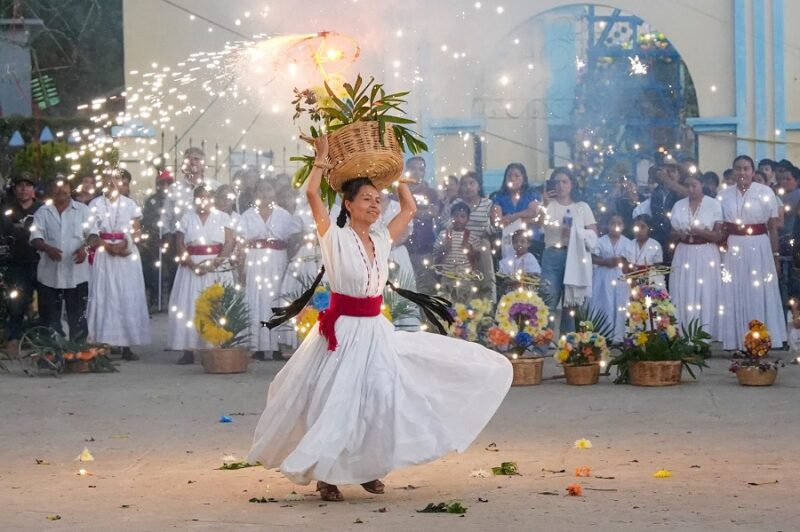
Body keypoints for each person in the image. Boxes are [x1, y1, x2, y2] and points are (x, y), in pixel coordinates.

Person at [247, 136, 512, 502]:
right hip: (343, 332)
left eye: (377, 199)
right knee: (336, 401)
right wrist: (321, 158)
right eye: (367, 199)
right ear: (348, 204)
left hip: (376, 330)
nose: (375, 205)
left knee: (382, 397)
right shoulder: (334, 237)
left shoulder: (382, 238)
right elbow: (311, 194)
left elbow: (409, 209)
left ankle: (367, 466)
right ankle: (326, 474)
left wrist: (399, 180)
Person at [719, 155, 785, 351]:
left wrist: (775, 255)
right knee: (735, 289)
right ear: (733, 171)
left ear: (753, 172)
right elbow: (720, 226)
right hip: (734, 246)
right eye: (738, 168)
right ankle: (736, 340)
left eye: (746, 168)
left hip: (759, 245)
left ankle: (761, 338)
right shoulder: (723, 195)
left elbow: (772, 226)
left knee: (758, 290)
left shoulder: (765, 192)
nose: (742, 172)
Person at [86, 169, 151, 360]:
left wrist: (124, 245)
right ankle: (103, 344)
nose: (112, 182)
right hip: (104, 255)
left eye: (116, 179)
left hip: (126, 255)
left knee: (127, 296)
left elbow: (136, 232)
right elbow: (91, 232)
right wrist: (107, 246)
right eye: (108, 178)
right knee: (105, 296)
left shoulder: (130, 204)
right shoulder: (95, 204)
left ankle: (126, 345)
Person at [168, 186, 235, 364]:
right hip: (191, 267)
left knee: (215, 305)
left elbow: (229, 243)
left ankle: (214, 347)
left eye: (206, 197)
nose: (203, 201)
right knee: (189, 306)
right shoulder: (186, 218)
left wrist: (215, 263)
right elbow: (180, 245)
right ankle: (188, 349)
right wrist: (193, 265)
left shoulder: (223, 217)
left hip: (216, 266)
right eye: (199, 197)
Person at [241, 180, 302, 361]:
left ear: (274, 193)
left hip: (278, 260)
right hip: (255, 259)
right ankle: (257, 346)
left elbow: (291, 241)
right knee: (256, 299)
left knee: (276, 299)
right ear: (255, 194)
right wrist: (241, 268)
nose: (265, 194)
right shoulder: (247, 215)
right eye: (261, 190)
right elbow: (242, 242)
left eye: (268, 189)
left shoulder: (284, 215)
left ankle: (277, 346)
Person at [30, 178, 96, 340]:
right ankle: (50, 351)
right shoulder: (42, 212)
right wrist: (46, 248)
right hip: (49, 275)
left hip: (77, 274)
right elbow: (35, 238)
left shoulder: (83, 210)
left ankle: (78, 351)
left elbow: (94, 235)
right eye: (56, 187)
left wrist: (85, 248)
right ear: (51, 190)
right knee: (48, 320)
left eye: (64, 187)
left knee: (78, 318)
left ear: (70, 189)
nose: (61, 190)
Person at [537, 168, 598, 337]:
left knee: (571, 305)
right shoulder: (548, 205)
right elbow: (539, 226)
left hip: (575, 257)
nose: (560, 185)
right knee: (547, 300)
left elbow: (593, 233)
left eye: (564, 181)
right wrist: (544, 204)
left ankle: (568, 344)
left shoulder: (581, 207)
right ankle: (542, 344)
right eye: (557, 182)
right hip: (552, 255)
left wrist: (576, 233)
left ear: (572, 184)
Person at [668, 174, 723, 339]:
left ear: (702, 184)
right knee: (683, 289)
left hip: (706, 251)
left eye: (694, 185)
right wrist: (679, 234)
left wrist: (700, 231)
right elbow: (671, 233)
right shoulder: (678, 205)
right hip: (684, 252)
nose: (691, 189)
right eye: (688, 186)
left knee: (705, 291)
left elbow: (718, 235)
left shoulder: (713, 204)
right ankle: (683, 333)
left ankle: (704, 334)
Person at [0, 173, 43, 357]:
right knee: (16, 303)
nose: (24, 189)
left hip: (41, 262)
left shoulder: (42, 209)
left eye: (28, 185)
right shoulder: (7, 209)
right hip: (16, 263)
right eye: (20, 185)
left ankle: (45, 341)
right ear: (15, 189)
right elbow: (6, 233)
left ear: (33, 189)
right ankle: (14, 339)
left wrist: (21, 231)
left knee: (46, 304)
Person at [590, 214, 633, 342]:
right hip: (603, 277)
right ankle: (602, 335)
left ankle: (619, 336)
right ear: (607, 225)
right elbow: (592, 257)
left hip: (620, 278)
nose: (615, 226)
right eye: (612, 223)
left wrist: (622, 262)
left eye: (619, 223)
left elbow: (630, 262)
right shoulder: (600, 241)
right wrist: (605, 262)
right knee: (603, 303)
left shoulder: (627, 242)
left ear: (623, 226)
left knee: (620, 303)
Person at [403, 157, 440, 295]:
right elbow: (397, 213)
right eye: (413, 168)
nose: (416, 172)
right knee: (405, 287)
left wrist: (409, 212)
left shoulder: (431, 193)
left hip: (425, 247)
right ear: (406, 170)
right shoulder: (399, 192)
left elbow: (432, 213)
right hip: (403, 248)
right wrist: (419, 213)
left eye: (421, 169)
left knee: (427, 289)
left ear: (424, 172)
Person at [490, 163, 541, 262]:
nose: (512, 179)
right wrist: (523, 218)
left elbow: (534, 214)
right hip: (506, 241)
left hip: (531, 241)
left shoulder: (532, 194)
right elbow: (498, 222)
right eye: (509, 175)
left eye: (517, 176)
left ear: (524, 179)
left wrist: (512, 217)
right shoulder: (498, 196)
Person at [459, 171, 496, 301]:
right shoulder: (457, 203)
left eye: (471, 183)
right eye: (464, 184)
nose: (468, 187)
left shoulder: (488, 203)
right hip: (461, 245)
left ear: (479, 186)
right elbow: (446, 222)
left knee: (484, 278)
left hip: (482, 245)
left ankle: (487, 306)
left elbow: (495, 225)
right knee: (465, 282)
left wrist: (483, 234)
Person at [141, 170, 174, 310]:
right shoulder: (151, 201)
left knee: (173, 270)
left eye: (167, 183)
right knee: (154, 270)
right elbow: (146, 220)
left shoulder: (174, 199)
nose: (164, 186)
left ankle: (172, 300)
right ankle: (155, 299)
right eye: (161, 183)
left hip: (173, 239)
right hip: (155, 240)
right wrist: (154, 236)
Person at [433, 202, 479, 302]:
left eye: (462, 216)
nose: (458, 219)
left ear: (468, 219)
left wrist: (470, 250)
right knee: (446, 302)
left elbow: (477, 258)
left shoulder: (472, 236)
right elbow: (435, 254)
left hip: (465, 278)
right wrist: (444, 249)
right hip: (446, 276)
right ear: (451, 217)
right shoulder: (443, 234)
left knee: (465, 304)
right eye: (456, 216)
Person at [630, 214, 665, 287]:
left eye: (643, 227)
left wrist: (640, 281)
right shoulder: (629, 245)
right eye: (636, 227)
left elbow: (657, 271)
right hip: (630, 283)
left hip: (650, 284)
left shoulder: (655, 245)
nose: (639, 230)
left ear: (649, 229)